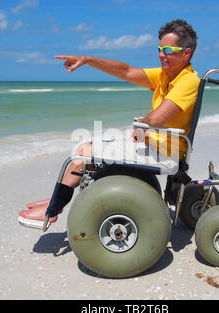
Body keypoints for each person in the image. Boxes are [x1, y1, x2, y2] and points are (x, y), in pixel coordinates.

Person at [18, 19, 200, 229]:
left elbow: (158, 119)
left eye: (167, 49)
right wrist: (87, 60)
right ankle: (55, 199)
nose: (161, 54)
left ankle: (52, 210)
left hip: (164, 152)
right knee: (85, 145)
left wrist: (141, 124)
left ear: (186, 53)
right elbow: (125, 71)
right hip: (152, 144)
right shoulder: (164, 76)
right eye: (159, 49)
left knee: (83, 152)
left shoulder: (188, 81)